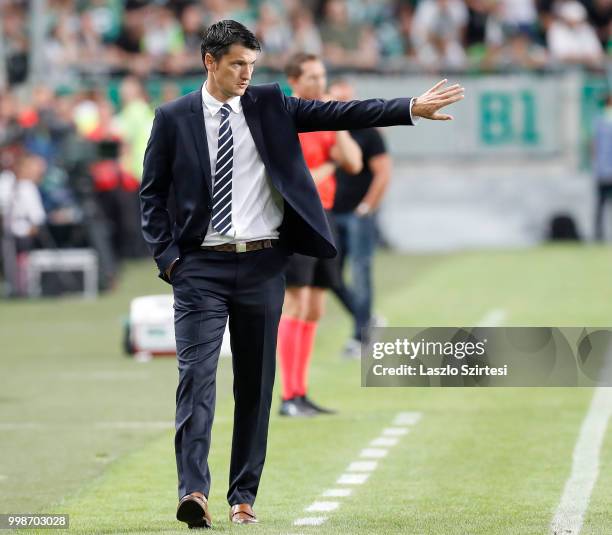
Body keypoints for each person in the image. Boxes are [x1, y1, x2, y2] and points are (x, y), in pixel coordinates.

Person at [139, 19, 464, 530]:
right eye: (236, 65)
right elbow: (152, 195)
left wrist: (407, 107)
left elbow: (339, 111)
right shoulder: (173, 117)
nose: (247, 74)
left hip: (264, 264)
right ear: (210, 62)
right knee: (196, 379)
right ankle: (193, 492)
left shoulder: (271, 103)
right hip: (199, 267)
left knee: (255, 385)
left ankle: (242, 496)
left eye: (252, 64)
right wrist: (170, 260)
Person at [277, 53, 362, 418]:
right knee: (295, 303)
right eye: (311, 77)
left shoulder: (324, 116)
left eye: (321, 76)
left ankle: (301, 391)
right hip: (296, 218)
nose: (318, 83)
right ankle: (288, 395)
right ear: (294, 80)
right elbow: (303, 177)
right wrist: (329, 164)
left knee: (315, 306)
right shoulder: (286, 116)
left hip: (323, 216)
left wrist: (339, 118)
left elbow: (355, 163)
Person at [328, 78, 392, 358]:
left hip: (358, 214)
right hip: (331, 212)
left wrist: (368, 206)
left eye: (346, 99)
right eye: (337, 98)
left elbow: (383, 171)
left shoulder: (368, 132)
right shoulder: (324, 128)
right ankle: (367, 320)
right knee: (330, 275)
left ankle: (360, 337)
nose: (342, 103)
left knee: (361, 272)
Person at [594, 93, 612, 241]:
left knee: (600, 206)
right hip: (604, 171)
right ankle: (598, 235)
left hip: (602, 171)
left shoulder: (599, 121)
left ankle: (598, 235)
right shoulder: (601, 121)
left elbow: (594, 146)